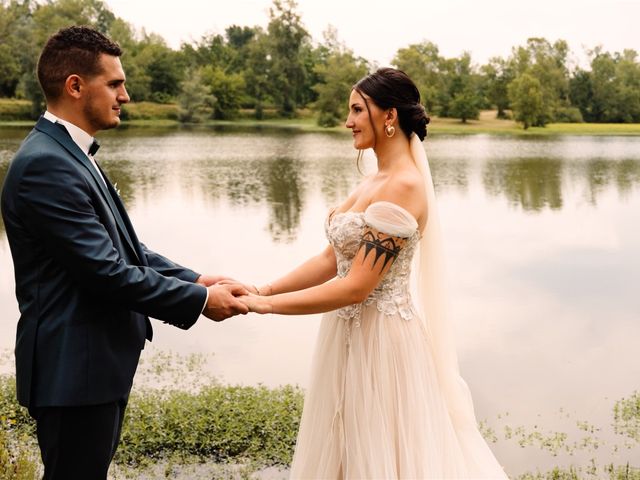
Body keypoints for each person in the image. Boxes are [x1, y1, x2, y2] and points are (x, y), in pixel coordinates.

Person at [0, 26, 248, 480]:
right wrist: (200, 302)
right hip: (72, 371)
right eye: (114, 83)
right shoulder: (45, 165)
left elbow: (125, 249)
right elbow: (106, 273)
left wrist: (193, 279)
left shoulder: (68, 154)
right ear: (75, 85)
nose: (126, 95)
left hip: (92, 368)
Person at [240, 68, 507, 478]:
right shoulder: (372, 181)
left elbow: (356, 287)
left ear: (390, 116)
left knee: (384, 456)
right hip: (345, 337)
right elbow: (331, 260)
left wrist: (266, 306)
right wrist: (262, 286)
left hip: (383, 344)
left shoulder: (403, 186)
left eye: (356, 110)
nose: (348, 121)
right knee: (345, 452)